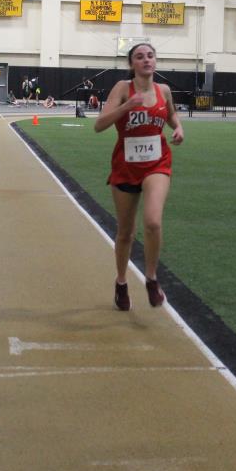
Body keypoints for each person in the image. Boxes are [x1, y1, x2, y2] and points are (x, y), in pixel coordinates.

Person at [94, 43, 184, 311]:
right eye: (140, 57)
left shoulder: (163, 90)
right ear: (131, 63)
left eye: (150, 56)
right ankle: (121, 282)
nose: (146, 60)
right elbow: (99, 125)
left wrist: (178, 128)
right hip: (126, 164)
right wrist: (126, 107)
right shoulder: (123, 88)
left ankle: (151, 279)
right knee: (125, 233)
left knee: (153, 222)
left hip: (157, 162)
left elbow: (171, 114)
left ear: (156, 61)